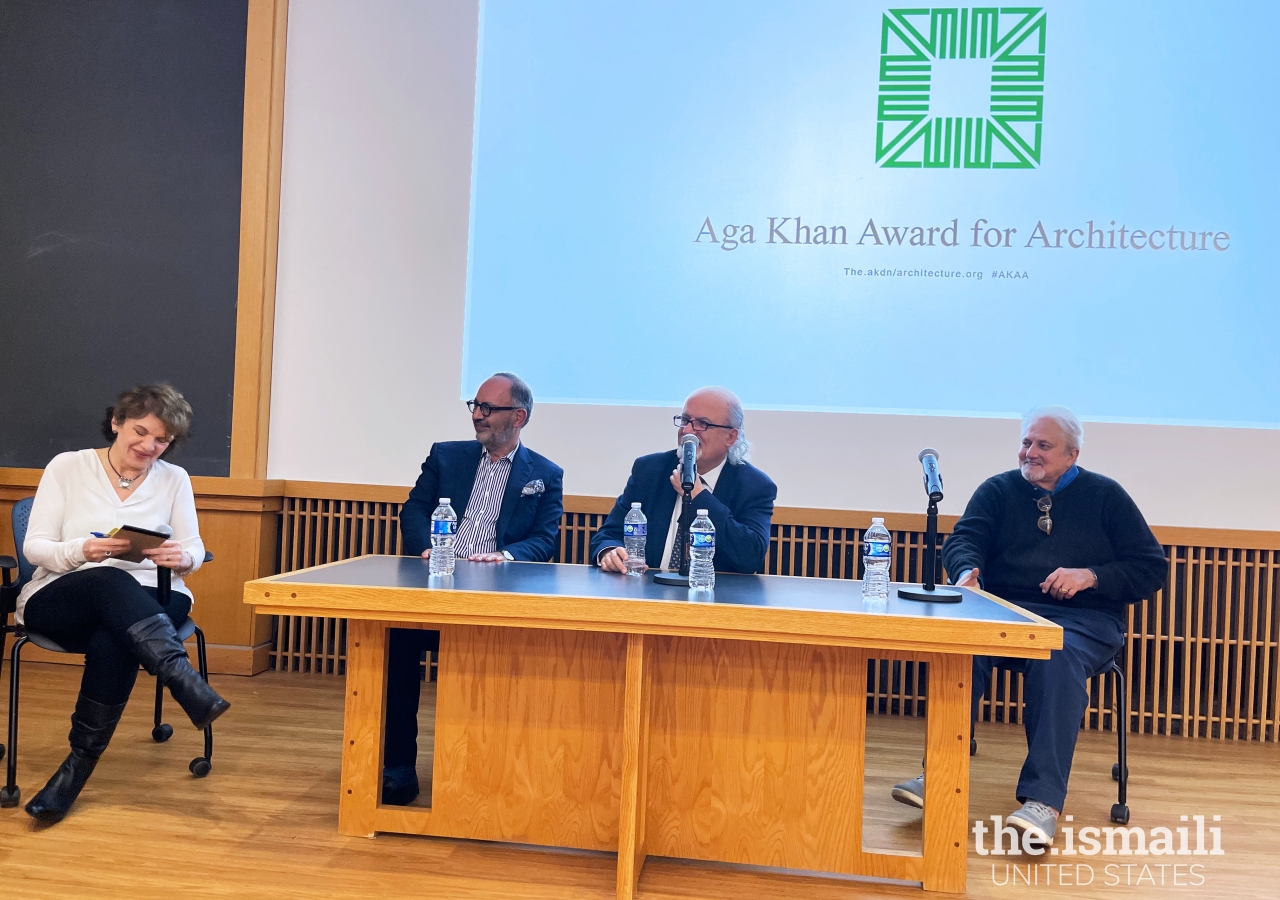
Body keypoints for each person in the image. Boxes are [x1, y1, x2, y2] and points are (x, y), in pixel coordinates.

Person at [890, 407, 1167, 844]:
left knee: (1056, 657)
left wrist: (1090, 576)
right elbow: (964, 540)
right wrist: (966, 572)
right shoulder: (998, 490)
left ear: (1072, 454)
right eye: (1026, 442)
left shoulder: (1106, 496)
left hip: (1085, 619)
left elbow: (1151, 568)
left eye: (1043, 445)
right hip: (1003, 611)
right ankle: (939, 774)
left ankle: (1043, 803)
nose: (1030, 452)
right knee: (965, 646)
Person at [15, 384, 230, 824]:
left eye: (162, 440)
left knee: (116, 637)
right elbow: (37, 547)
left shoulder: (174, 478)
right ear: (116, 422)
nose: (150, 447)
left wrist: (181, 557)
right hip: (66, 592)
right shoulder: (68, 467)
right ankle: (181, 678)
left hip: (154, 596)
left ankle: (74, 773)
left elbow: (192, 549)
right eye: (141, 432)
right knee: (108, 579)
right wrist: (82, 551)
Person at [384, 372, 563, 805]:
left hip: (496, 597)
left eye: (489, 408)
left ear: (518, 417)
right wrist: (427, 548)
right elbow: (415, 508)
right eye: (475, 406)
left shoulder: (545, 473)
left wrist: (506, 557)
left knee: (494, 673)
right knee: (396, 648)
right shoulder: (447, 457)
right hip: (435, 585)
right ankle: (398, 769)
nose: (478, 416)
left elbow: (545, 538)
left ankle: (481, 771)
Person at [590, 386, 776, 576]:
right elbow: (608, 534)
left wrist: (699, 497)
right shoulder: (650, 470)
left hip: (715, 597)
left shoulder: (754, 486)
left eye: (702, 424)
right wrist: (609, 552)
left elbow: (750, 556)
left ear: (730, 436)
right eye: (685, 420)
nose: (687, 431)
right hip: (647, 592)